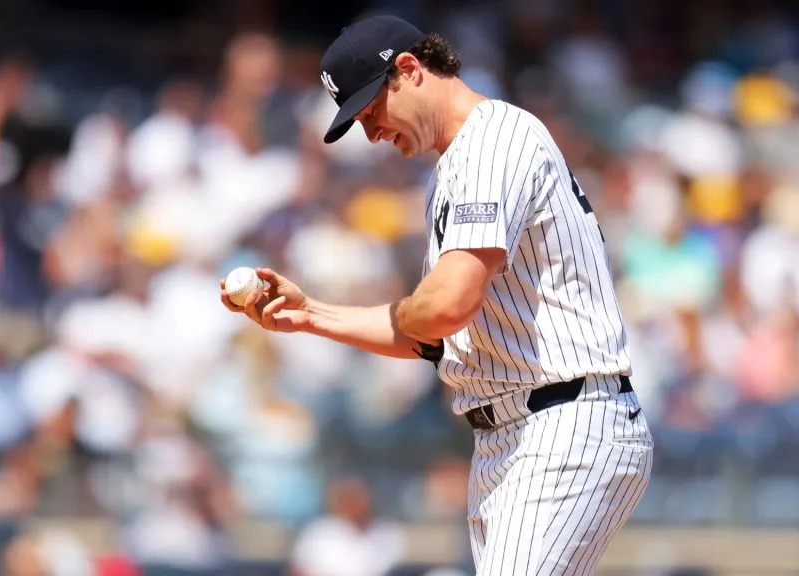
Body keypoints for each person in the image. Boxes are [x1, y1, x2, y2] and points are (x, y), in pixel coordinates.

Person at [219, 14, 653, 575]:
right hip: (515, 436)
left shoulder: (491, 143)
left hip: (564, 424)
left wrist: (411, 313)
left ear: (409, 69)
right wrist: (310, 316)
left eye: (371, 109)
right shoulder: (454, 169)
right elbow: (436, 338)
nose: (370, 131)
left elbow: (445, 306)